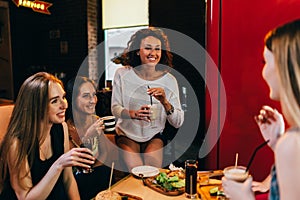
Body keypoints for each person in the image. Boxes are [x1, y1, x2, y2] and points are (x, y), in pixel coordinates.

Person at [222, 19, 300, 200]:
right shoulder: (289, 143)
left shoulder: (292, 144)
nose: (263, 71)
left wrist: (245, 198)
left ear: (284, 68)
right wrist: (277, 142)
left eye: (265, 61)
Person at [0, 72, 95, 199]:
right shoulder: (16, 143)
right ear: (37, 106)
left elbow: (68, 180)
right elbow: (24, 198)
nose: (64, 105)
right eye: (55, 101)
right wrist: (58, 165)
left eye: (64, 97)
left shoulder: (62, 128)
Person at [111, 27, 184, 171]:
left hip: (154, 135)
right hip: (127, 134)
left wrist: (165, 102)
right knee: (137, 170)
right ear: (138, 51)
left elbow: (178, 122)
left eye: (157, 49)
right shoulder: (122, 74)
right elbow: (115, 109)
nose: (153, 53)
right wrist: (134, 114)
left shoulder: (169, 80)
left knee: (151, 171)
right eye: (148, 48)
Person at [66, 76, 112, 200]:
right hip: (73, 184)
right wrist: (87, 138)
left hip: (95, 178)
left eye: (94, 95)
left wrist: (93, 170)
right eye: (86, 96)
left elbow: (104, 154)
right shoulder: (64, 128)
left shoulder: (95, 120)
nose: (93, 100)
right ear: (73, 99)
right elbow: (72, 168)